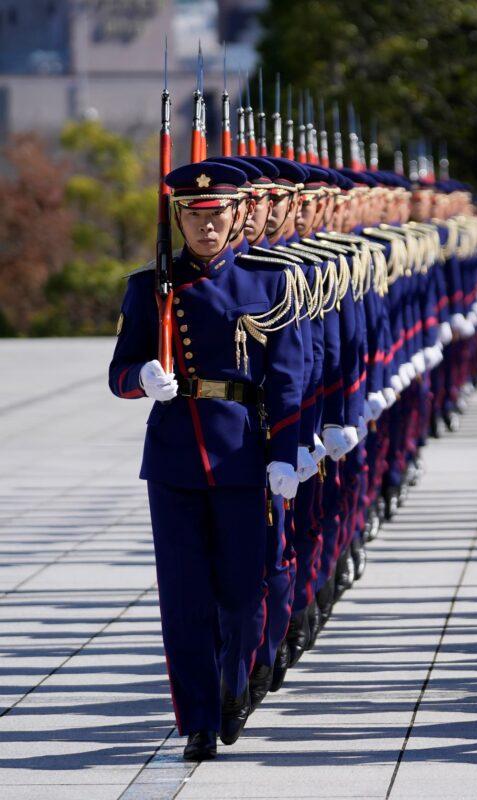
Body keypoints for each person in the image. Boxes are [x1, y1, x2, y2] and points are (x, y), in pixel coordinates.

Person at [107, 161, 305, 761]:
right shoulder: (151, 286)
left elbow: (289, 377)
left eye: (216, 214)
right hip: (173, 459)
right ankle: (195, 718)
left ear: (237, 215)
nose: (206, 226)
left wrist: (285, 454)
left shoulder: (270, 284)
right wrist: (142, 377)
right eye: (193, 216)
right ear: (179, 219)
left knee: (244, 594)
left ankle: (234, 682)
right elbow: (119, 373)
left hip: (243, 453)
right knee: (184, 597)